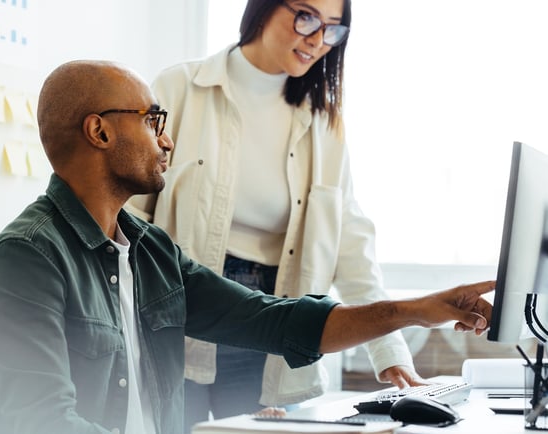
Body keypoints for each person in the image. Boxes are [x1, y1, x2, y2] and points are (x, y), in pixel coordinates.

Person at [0, 58, 494, 434]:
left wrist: (419, 310)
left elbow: (278, 321)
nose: (167, 139)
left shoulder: (150, 254)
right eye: (152, 121)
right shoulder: (27, 259)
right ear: (99, 132)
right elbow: (42, 423)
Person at [125, 0, 435, 429]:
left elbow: (351, 247)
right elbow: (127, 215)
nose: (316, 39)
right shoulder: (179, 87)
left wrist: (390, 355)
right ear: (264, 8)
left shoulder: (324, 122)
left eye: (332, 29)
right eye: (306, 17)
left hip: (268, 318)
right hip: (177, 305)